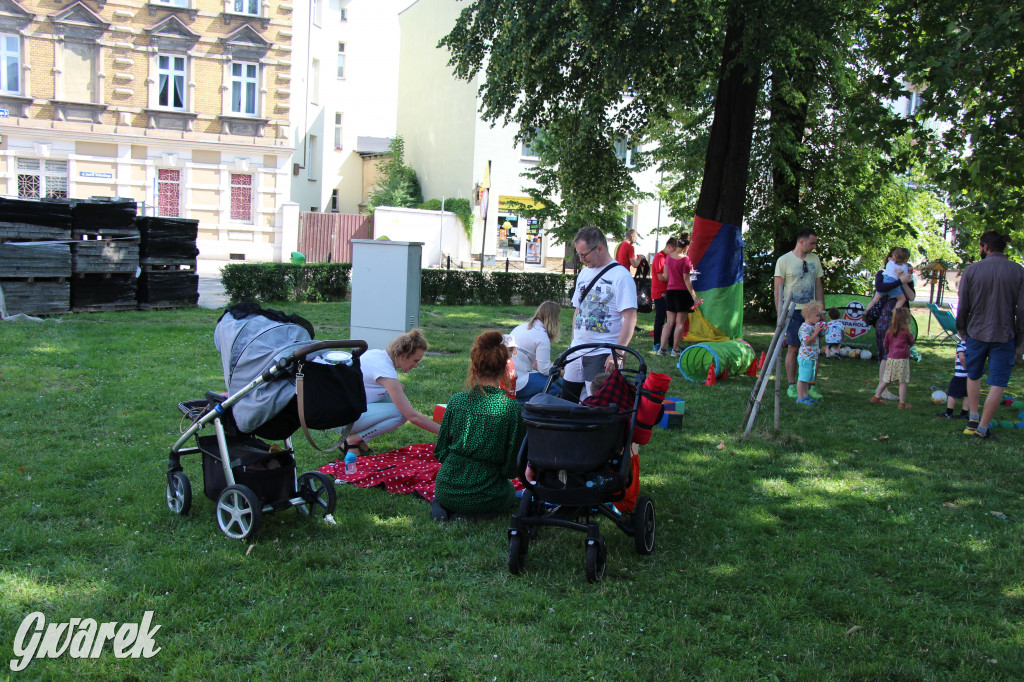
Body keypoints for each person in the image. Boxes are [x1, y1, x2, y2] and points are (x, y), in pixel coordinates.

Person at [432, 331, 526, 519]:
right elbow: (511, 468)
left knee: (446, 498)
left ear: (474, 368)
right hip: (487, 493)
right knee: (512, 493)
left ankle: (445, 508)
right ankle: (473, 513)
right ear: (504, 370)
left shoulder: (456, 401)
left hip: (446, 489)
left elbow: (441, 451)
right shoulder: (511, 410)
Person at [955, 231, 1024, 439]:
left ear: (985, 246)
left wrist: (962, 330)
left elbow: (963, 305)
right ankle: (983, 429)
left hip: (976, 332)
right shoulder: (1018, 271)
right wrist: (1020, 338)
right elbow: (1022, 310)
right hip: (1004, 333)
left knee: (973, 374)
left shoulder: (972, 270)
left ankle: (973, 417)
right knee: (998, 382)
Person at [561, 226, 638, 403]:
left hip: (603, 352)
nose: (581, 259)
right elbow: (578, 311)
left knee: (596, 403)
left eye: (584, 254)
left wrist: (617, 353)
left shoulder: (621, 276)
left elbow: (630, 317)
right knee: (567, 400)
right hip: (577, 350)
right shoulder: (584, 273)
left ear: (599, 249)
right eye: (579, 254)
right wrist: (572, 344)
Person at [345, 329, 441, 453]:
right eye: (415, 361)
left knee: (394, 399)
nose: (416, 365)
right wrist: (444, 432)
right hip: (341, 420)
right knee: (401, 414)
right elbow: (412, 416)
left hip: (341, 409)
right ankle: (353, 440)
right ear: (402, 355)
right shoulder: (386, 372)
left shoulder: (377, 355)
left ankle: (359, 439)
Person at [774, 229, 824, 399]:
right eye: (812, 243)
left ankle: (811, 386)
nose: (815, 246)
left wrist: (821, 310)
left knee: (813, 348)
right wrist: (780, 314)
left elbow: (818, 286)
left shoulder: (815, 259)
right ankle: (791, 385)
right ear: (801, 242)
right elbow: (778, 289)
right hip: (793, 311)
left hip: (812, 311)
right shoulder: (784, 260)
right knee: (794, 347)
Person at [657, 232, 703, 357]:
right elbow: (687, 279)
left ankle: (661, 349)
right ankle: (675, 349)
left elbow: (666, 276)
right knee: (680, 322)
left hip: (670, 292)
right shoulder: (685, 259)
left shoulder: (668, 258)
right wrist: (694, 295)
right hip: (682, 293)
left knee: (669, 322)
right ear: (686, 247)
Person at [509, 301, 562, 402]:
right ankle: (524, 404)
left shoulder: (521, 327)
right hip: (519, 383)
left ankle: (516, 402)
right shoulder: (541, 336)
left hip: (505, 379)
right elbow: (544, 370)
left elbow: (535, 364)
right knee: (559, 385)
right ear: (553, 319)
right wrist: (562, 372)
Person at [871, 307, 916, 408]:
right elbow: (911, 342)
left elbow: (885, 345)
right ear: (906, 320)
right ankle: (902, 403)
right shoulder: (906, 332)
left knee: (886, 379)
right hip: (903, 359)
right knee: (902, 381)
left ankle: (876, 397)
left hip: (891, 358)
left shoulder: (889, 332)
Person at [649, 237, 679, 353]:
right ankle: (657, 343)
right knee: (660, 318)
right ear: (669, 247)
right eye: (674, 250)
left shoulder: (668, 257)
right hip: (660, 293)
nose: (676, 253)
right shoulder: (660, 257)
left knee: (671, 320)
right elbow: (662, 276)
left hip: (668, 292)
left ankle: (671, 344)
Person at [795, 300, 826, 405]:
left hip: (812, 357)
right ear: (808, 315)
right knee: (802, 378)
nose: (819, 318)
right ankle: (800, 398)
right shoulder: (804, 327)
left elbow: (815, 338)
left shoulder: (813, 327)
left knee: (807, 378)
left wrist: (821, 333)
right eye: (817, 316)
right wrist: (816, 332)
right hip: (805, 357)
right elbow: (807, 341)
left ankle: (805, 396)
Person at [865, 247, 913, 312]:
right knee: (875, 299)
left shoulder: (905, 275)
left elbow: (911, 297)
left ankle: (866, 311)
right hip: (881, 312)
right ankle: (866, 311)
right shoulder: (882, 273)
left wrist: (904, 282)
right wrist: (900, 282)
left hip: (900, 315)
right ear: (890, 258)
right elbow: (880, 288)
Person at [936, 339, 970, 419]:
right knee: (966, 394)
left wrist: (966, 368)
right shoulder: (972, 344)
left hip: (959, 375)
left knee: (951, 393)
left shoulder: (961, 345)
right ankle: (964, 414)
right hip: (969, 376)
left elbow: (962, 358)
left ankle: (949, 413)